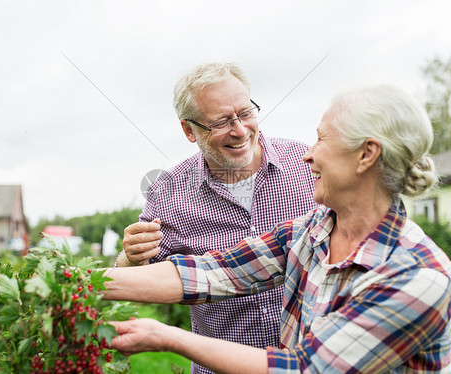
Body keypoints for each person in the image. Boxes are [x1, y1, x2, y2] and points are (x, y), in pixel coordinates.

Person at [104, 84, 451, 373]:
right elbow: (210, 273)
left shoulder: (418, 274)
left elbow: (307, 369)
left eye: (322, 141)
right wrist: (75, 282)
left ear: (366, 155)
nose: (309, 155)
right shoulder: (311, 232)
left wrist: (168, 337)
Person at [116, 63, 317, 372]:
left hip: (313, 363)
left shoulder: (305, 165)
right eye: (221, 121)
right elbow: (147, 277)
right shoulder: (167, 194)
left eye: (246, 113)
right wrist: (130, 259)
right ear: (188, 130)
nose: (239, 130)